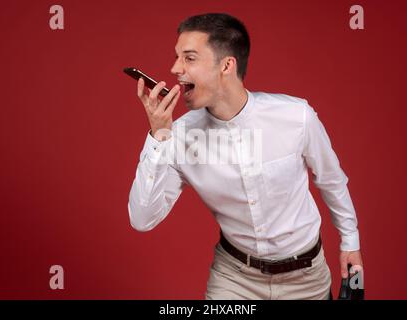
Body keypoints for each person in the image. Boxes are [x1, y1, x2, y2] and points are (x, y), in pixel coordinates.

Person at [128, 13, 363, 300]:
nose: (175, 68)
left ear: (227, 65)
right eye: (177, 57)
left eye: (189, 58)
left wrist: (350, 241)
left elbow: (331, 180)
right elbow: (142, 219)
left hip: (306, 280)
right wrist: (158, 138)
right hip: (234, 279)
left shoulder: (296, 116)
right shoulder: (178, 136)